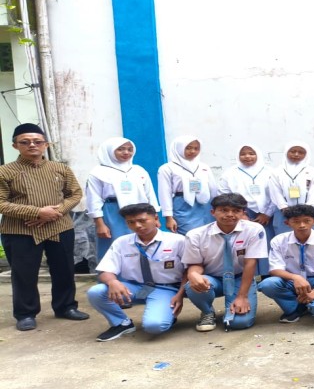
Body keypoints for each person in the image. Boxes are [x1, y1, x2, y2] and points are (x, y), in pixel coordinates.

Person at [0, 123, 88, 331]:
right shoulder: (4, 172)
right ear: (15, 146)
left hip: (60, 226)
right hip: (20, 230)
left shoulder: (60, 169)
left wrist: (55, 212)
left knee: (64, 269)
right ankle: (25, 314)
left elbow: (75, 193)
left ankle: (66, 306)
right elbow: (1, 202)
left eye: (37, 141)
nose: (32, 145)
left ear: (45, 145)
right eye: (25, 142)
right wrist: (37, 212)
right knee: (24, 274)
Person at [86, 203, 186, 341]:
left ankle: (165, 314)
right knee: (96, 292)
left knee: (154, 326)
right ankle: (121, 323)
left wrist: (180, 294)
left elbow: (189, 269)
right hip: (135, 287)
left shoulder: (177, 240)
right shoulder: (121, 242)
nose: (137, 225)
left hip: (165, 288)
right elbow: (105, 270)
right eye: (131, 222)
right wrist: (113, 281)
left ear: (156, 218)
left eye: (142, 220)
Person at [182, 193, 267, 331]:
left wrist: (242, 296)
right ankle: (207, 312)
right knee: (193, 284)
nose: (230, 214)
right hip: (212, 279)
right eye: (224, 210)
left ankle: (234, 306)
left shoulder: (254, 230)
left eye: (236, 211)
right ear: (213, 212)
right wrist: (193, 274)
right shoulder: (195, 235)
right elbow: (195, 264)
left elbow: (250, 263)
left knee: (239, 323)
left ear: (243, 213)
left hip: (239, 278)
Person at [85, 137, 159, 259]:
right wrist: (100, 224)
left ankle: (141, 271)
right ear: (109, 151)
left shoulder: (139, 170)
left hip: (141, 213)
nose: (126, 153)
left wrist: (155, 217)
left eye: (130, 149)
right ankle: (113, 272)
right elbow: (94, 199)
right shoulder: (98, 172)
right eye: (120, 149)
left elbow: (150, 194)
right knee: (114, 247)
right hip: (113, 213)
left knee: (142, 244)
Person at [218, 144, 274, 275]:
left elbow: (276, 194)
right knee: (245, 244)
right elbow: (223, 194)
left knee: (266, 243)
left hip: (267, 215)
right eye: (243, 154)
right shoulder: (230, 173)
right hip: (241, 213)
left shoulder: (270, 172)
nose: (247, 157)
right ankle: (249, 275)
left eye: (251, 153)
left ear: (258, 154)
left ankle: (266, 274)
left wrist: (267, 213)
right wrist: (240, 214)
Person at [158, 135, 217, 235]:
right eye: (188, 148)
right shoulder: (167, 168)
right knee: (189, 235)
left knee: (208, 234)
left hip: (205, 205)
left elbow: (213, 188)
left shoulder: (203, 166)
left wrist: (217, 207)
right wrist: (169, 217)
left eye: (196, 148)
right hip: (183, 205)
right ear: (179, 148)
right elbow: (164, 193)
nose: (192, 151)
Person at [268, 141, 314, 235]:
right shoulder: (277, 172)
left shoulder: (312, 171)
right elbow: (275, 191)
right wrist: (284, 208)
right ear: (286, 152)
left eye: (301, 152)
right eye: (293, 151)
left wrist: (308, 208)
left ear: (306, 154)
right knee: (284, 238)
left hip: (309, 211)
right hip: (284, 211)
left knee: (310, 237)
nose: (296, 154)